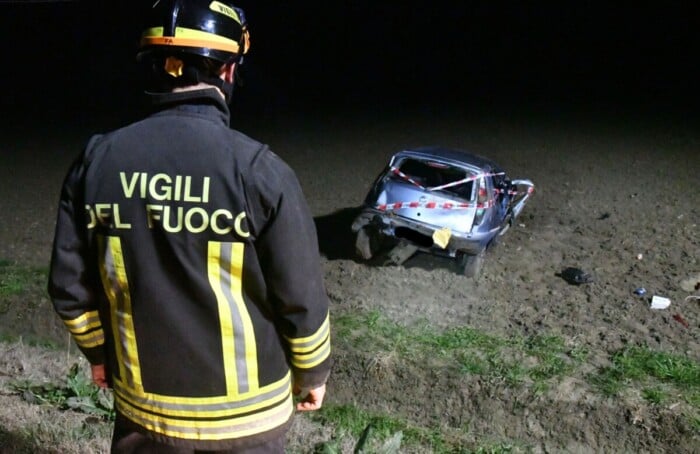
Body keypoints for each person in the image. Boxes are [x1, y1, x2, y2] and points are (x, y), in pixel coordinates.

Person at [47, 1, 331, 452]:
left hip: (145, 414)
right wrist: (312, 372)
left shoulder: (97, 161)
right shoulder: (258, 171)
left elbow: (68, 287)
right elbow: (301, 295)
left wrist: (100, 354)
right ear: (229, 71)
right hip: (247, 423)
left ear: (152, 67)